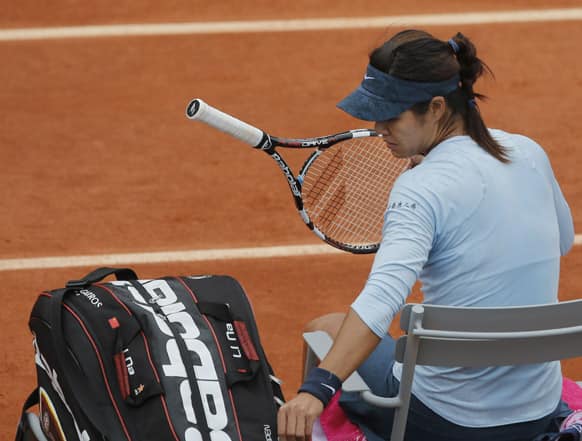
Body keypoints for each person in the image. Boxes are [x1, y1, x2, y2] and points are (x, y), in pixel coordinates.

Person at [277, 29, 575, 441]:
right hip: (538, 412)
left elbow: (381, 300)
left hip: (447, 424)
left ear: (436, 108)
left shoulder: (421, 188)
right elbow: (560, 242)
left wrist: (317, 388)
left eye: (391, 114)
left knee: (325, 327)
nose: (378, 126)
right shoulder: (528, 151)